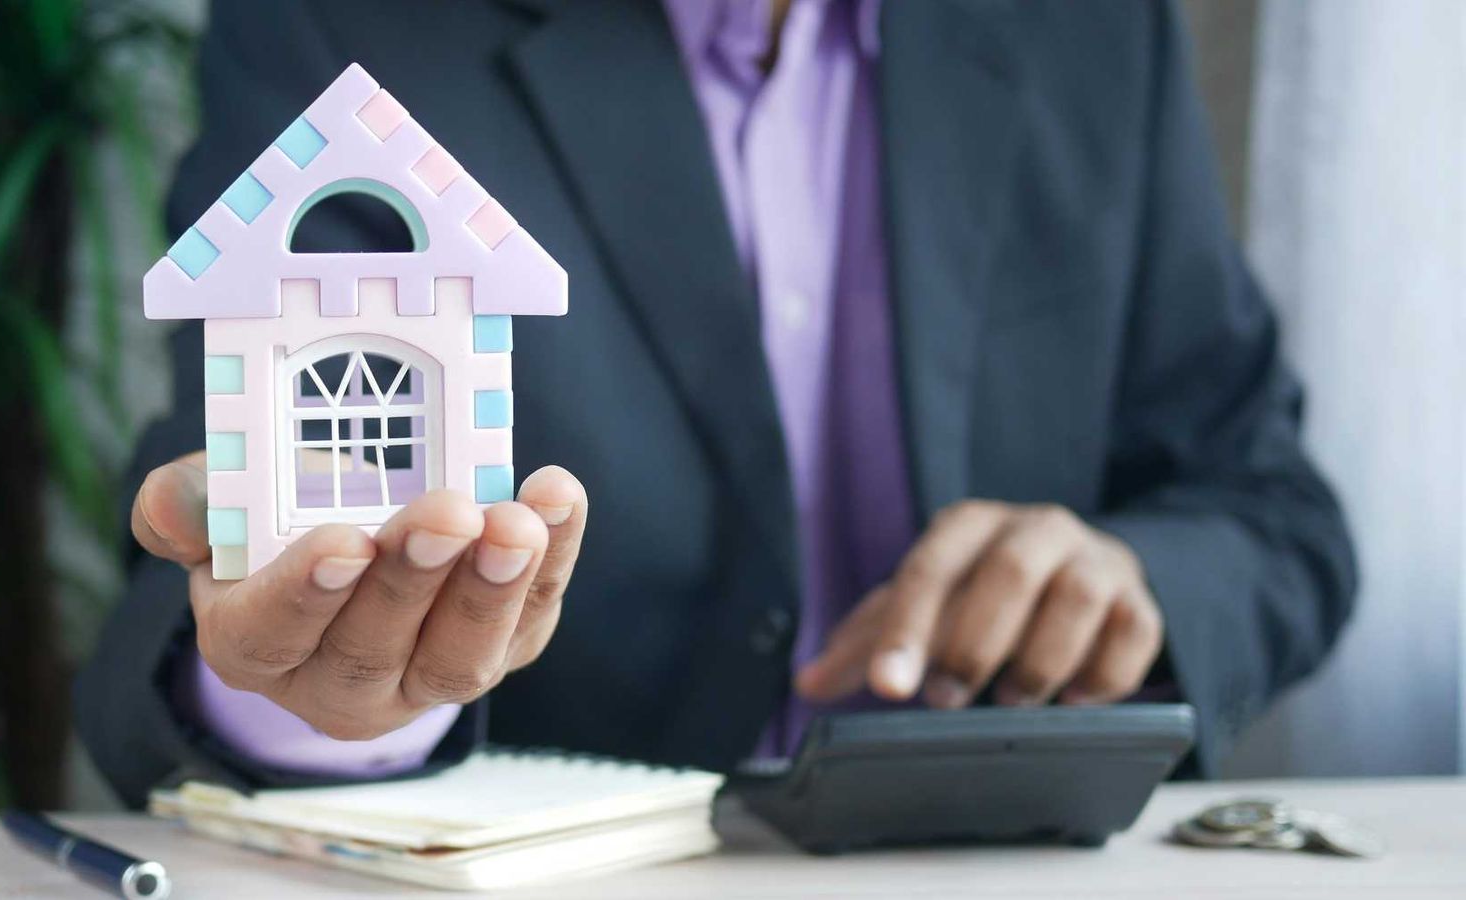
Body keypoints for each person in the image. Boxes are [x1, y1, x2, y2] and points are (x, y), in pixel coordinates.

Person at [77, 0, 1356, 807]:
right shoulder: (339, 28)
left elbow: (1271, 511)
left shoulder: (1089, 28)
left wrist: (1129, 583)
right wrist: (318, 698)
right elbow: (222, 544)